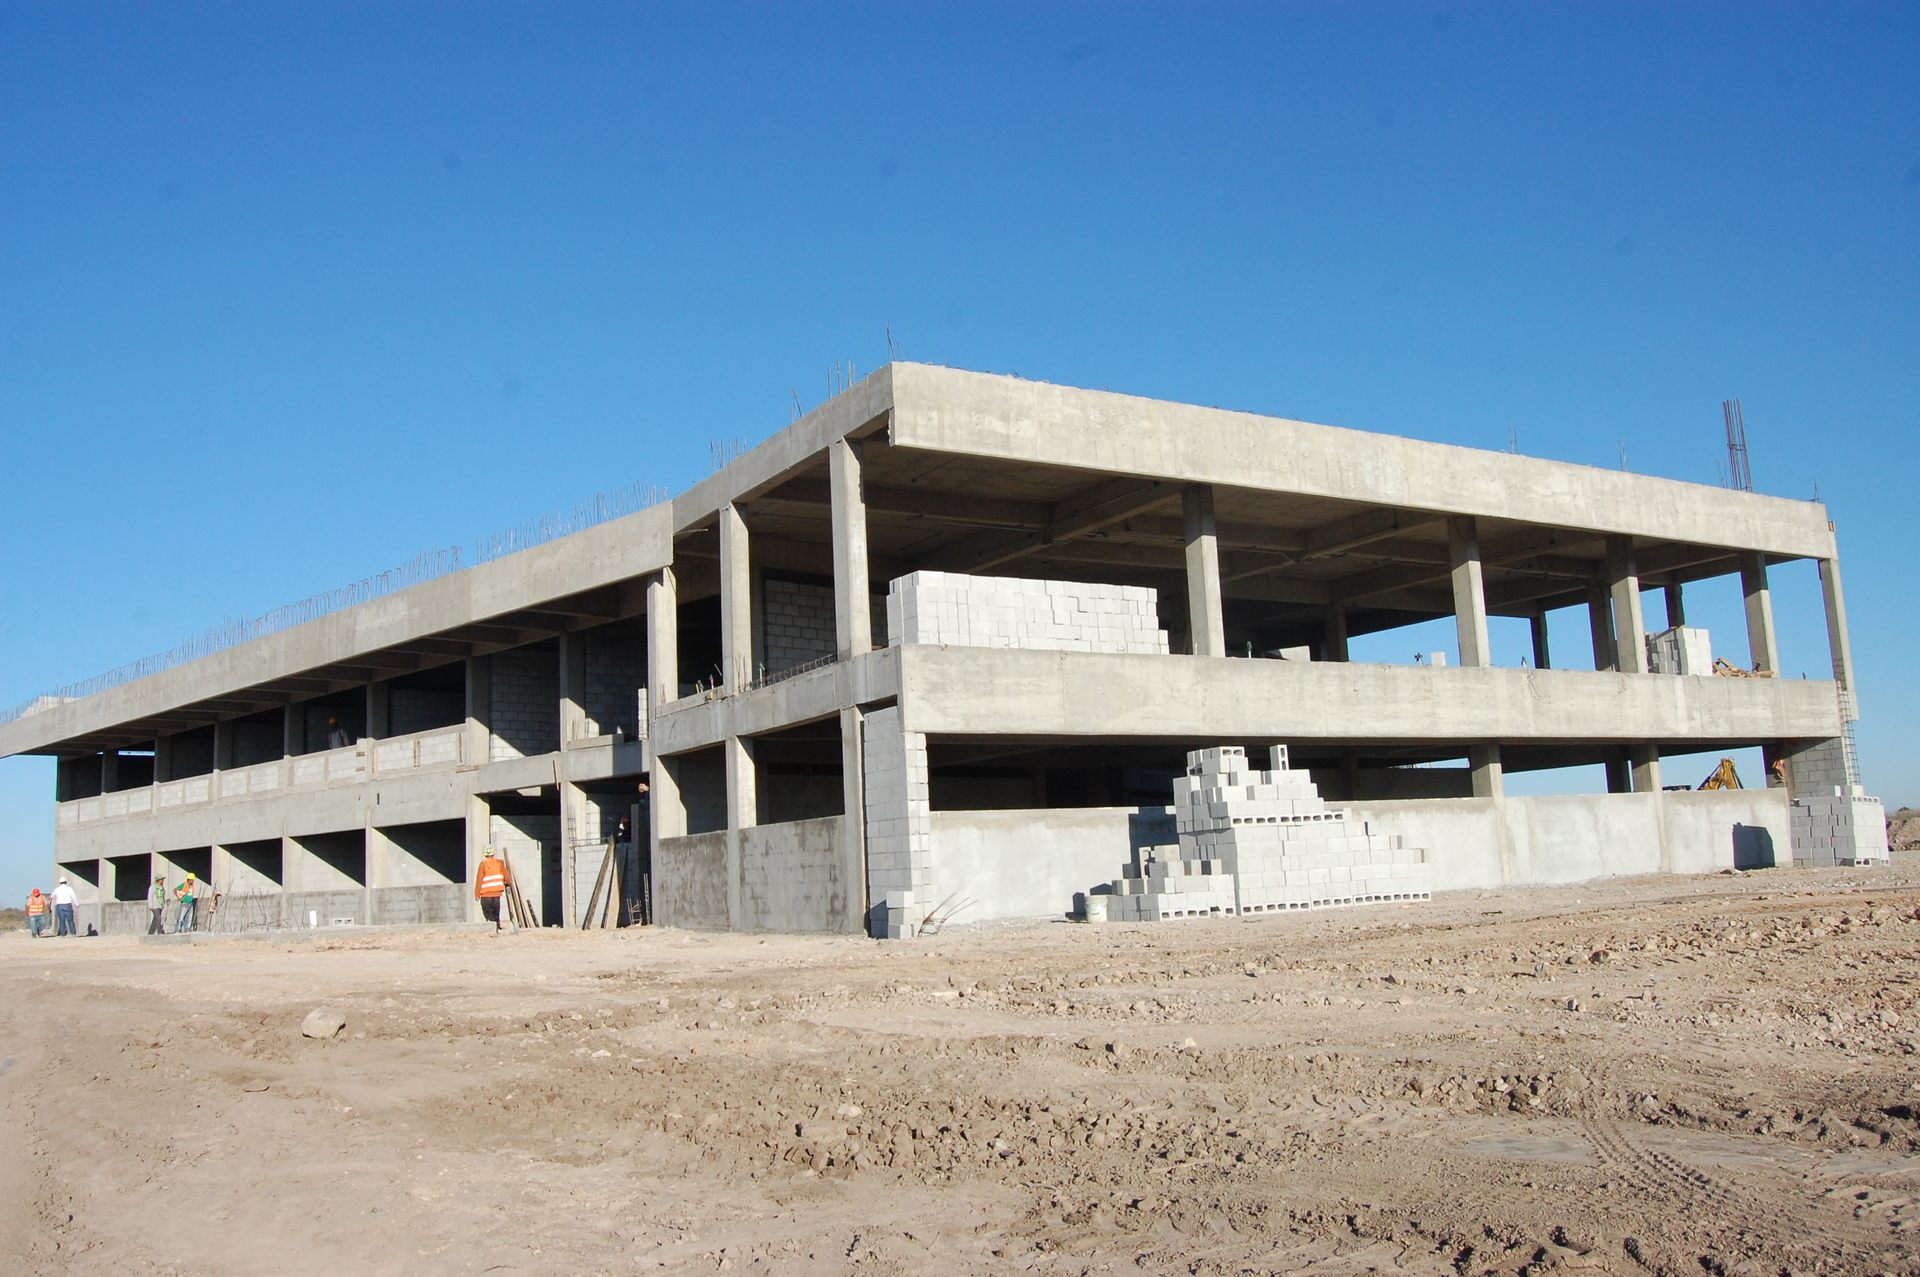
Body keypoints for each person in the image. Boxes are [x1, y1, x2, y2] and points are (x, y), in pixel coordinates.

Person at [474, 847, 511, 932]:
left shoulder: (483, 864)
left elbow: (479, 879)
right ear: (493, 854)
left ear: (485, 854)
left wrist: (477, 893)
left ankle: (491, 930)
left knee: (488, 914)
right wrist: (509, 883)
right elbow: (506, 876)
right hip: (496, 894)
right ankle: (497, 929)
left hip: (485, 895)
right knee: (496, 913)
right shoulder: (499, 863)